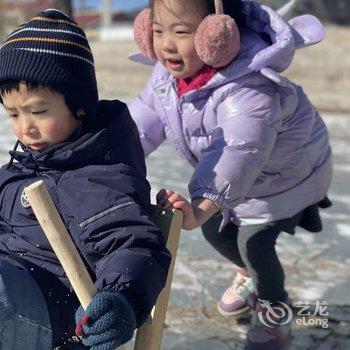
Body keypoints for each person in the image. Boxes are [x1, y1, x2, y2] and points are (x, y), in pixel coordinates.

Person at [128, 0, 333, 349]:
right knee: (215, 231)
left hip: (286, 179)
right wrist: (106, 153)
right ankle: (247, 275)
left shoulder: (251, 87)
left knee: (254, 246)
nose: (165, 44)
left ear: (217, 35)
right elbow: (142, 121)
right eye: (158, 30)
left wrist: (203, 202)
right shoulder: (166, 78)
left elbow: (239, 149)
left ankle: (273, 313)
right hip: (242, 182)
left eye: (181, 32)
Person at [0, 9, 171, 350]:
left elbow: (131, 244)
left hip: (57, 313)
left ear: (78, 107)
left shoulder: (97, 177)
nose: (24, 127)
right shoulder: (24, 168)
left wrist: (119, 299)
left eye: (38, 111)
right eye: (14, 114)